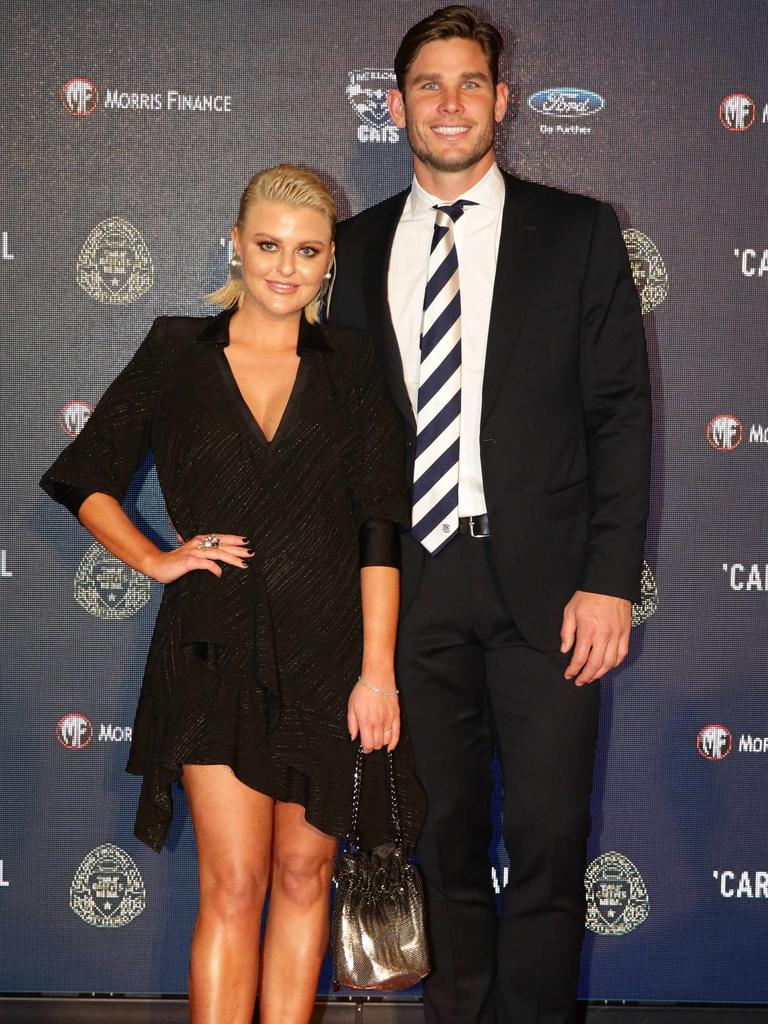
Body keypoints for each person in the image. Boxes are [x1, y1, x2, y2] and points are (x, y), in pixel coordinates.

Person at [40, 164, 424, 1024]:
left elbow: (377, 528)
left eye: (307, 250)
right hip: (212, 649)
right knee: (235, 880)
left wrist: (377, 672)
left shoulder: (353, 364)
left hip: (331, 659)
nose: (286, 267)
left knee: (303, 876)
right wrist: (152, 558)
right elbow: (85, 473)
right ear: (236, 246)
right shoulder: (176, 350)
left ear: (329, 262)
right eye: (267, 246)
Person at [331, 7, 652, 1023]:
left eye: (471, 82)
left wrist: (608, 578)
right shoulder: (354, 245)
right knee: (441, 846)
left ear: (503, 101)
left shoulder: (578, 230)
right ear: (396, 107)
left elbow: (619, 415)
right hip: (413, 590)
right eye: (429, 85)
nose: (451, 103)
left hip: (551, 591)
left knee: (552, 841)